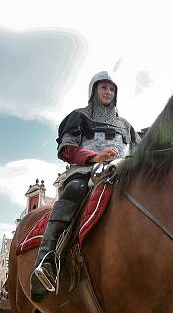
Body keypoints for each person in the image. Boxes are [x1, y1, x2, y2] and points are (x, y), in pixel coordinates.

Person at [31, 71, 138, 301]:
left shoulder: (127, 126)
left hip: (123, 174)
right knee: (74, 190)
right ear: (94, 91)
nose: (108, 92)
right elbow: (67, 149)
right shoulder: (79, 116)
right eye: (104, 88)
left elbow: (140, 154)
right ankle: (46, 260)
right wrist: (96, 156)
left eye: (112, 89)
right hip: (87, 172)